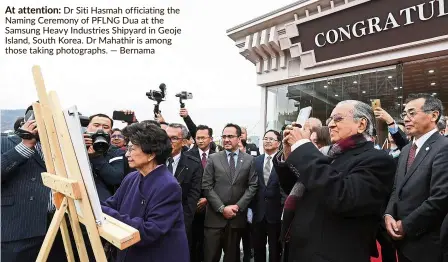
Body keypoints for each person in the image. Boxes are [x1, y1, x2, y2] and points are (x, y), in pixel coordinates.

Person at [274, 100, 396, 262]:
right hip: (300, 250)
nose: (331, 125)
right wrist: (289, 157)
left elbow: (342, 197)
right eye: (330, 120)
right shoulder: (328, 155)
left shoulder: (377, 160)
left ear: (361, 124)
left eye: (338, 119)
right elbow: (298, 188)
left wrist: (303, 147)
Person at [101, 122, 189, 262]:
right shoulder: (132, 177)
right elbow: (111, 204)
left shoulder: (168, 186)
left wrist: (102, 213)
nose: (127, 154)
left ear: (151, 154)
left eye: (132, 149)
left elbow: (149, 231)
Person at [385, 93, 448, 262]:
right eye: (405, 114)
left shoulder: (443, 148)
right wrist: (389, 214)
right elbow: (396, 188)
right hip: (402, 244)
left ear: (434, 115)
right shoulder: (406, 150)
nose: (406, 118)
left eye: (412, 113)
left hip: (427, 245)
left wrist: (406, 225)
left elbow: (441, 198)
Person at [1, 105, 66, 262]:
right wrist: (25, 145)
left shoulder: (63, 148)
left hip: (58, 228)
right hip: (18, 229)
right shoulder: (5, 142)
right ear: (27, 121)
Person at [202, 123, 258, 262]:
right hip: (214, 220)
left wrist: (237, 207)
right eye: (224, 136)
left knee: (232, 258)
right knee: (210, 257)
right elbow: (207, 186)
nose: (226, 139)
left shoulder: (249, 160)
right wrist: (222, 208)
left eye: (230, 136)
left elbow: (252, 186)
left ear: (239, 139)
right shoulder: (213, 158)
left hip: (236, 219)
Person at [165, 123, 202, 248]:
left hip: (179, 222)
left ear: (184, 141)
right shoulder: (153, 161)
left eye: (174, 138)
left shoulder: (193, 165)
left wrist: (182, 226)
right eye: (166, 137)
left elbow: (192, 200)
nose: (169, 142)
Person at [251, 130, 285, 262]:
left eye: (271, 139)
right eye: (265, 138)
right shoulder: (256, 161)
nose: (267, 141)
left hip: (276, 214)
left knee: (275, 250)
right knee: (258, 248)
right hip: (258, 213)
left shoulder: (283, 160)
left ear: (278, 143)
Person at [83, 114, 126, 201]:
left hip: (103, 204)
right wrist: (78, 145)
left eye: (105, 127)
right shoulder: (75, 144)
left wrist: (96, 157)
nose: (100, 129)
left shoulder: (116, 152)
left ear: (110, 133)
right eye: (96, 125)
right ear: (87, 127)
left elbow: (115, 178)